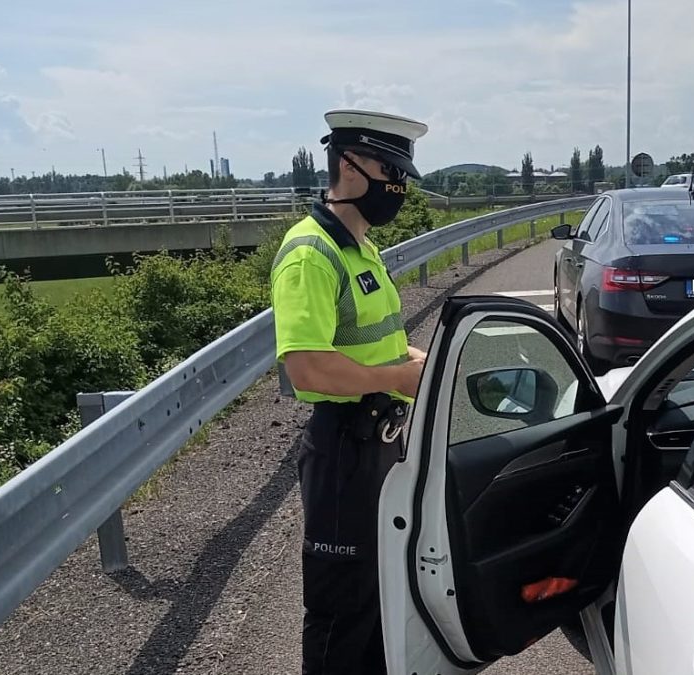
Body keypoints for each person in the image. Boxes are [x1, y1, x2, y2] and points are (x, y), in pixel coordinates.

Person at [270, 109, 429, 674]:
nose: (399, 186)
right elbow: (307, 368)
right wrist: (396, 378)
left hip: (381, 441)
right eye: (389, 170)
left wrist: (427, 366)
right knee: (342, 604)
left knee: (381, 589)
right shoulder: (311, 252)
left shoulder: (361, 249)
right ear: (348, 164)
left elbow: (378, 345)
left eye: (403, 173)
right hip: (343, 448)